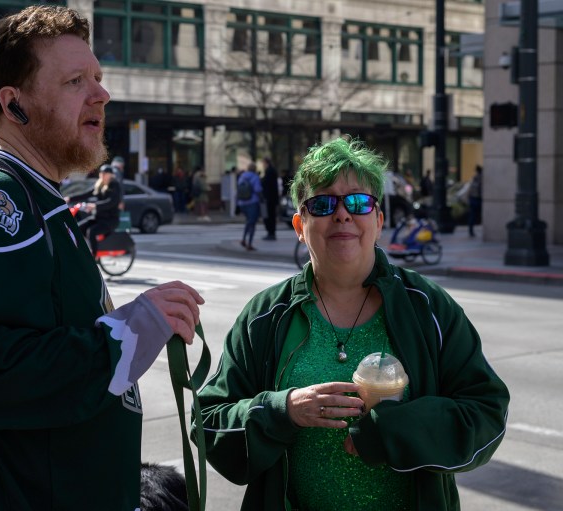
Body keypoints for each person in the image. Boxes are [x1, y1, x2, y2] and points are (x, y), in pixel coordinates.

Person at [0, 6, 204, 510]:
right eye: (75, 81)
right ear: (15, 105)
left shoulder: (27, 194)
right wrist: (127, 335)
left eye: (98, 77)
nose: (101, 93)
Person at [192, 137, 509, 510]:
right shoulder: (266, 315)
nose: (342, 215)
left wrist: (389, 431)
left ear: (378, 220)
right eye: (323, 204)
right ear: (300, 224)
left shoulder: (426, 307)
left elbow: (486, 413)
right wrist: (283, 410)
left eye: (358, 202)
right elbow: (208, 422)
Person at [78, 164, 123, 256]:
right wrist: (69, 198)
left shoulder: (114, 185)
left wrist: (95, 206)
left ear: (111, 175)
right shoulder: (99, 185)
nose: (102, 175)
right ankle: (85, 249)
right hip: (98, 218)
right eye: (101, 173)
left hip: (110, 220)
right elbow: (86, 194)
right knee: (78, 228)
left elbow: (111, 202)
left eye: (105, 173)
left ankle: (94, 256)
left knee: (91, 231)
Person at [237, 162, 262, 250]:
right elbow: (257, 189)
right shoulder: (255, 177)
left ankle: (243, 239)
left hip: (242, 203)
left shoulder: (242, 176)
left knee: (248, 221)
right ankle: (249, 244)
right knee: (252, 223)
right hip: (252, 202)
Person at [261, 157, 279, 240]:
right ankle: (271, 232)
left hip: (269, 198)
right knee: (271, 215)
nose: (262, 165)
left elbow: (267, 185)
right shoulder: (271, 171)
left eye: (263, 163)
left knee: (269, 216)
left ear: (266, 163)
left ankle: (271, 233)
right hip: (272, 198)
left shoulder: (269, 171)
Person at [468, 164, 482, 237]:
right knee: (475, 215)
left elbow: (470, 190)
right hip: (477, 199)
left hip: (472, 198)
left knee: (472, 215)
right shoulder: (480, 178)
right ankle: (471, 230)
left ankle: (471, 230)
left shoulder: (474, 178)